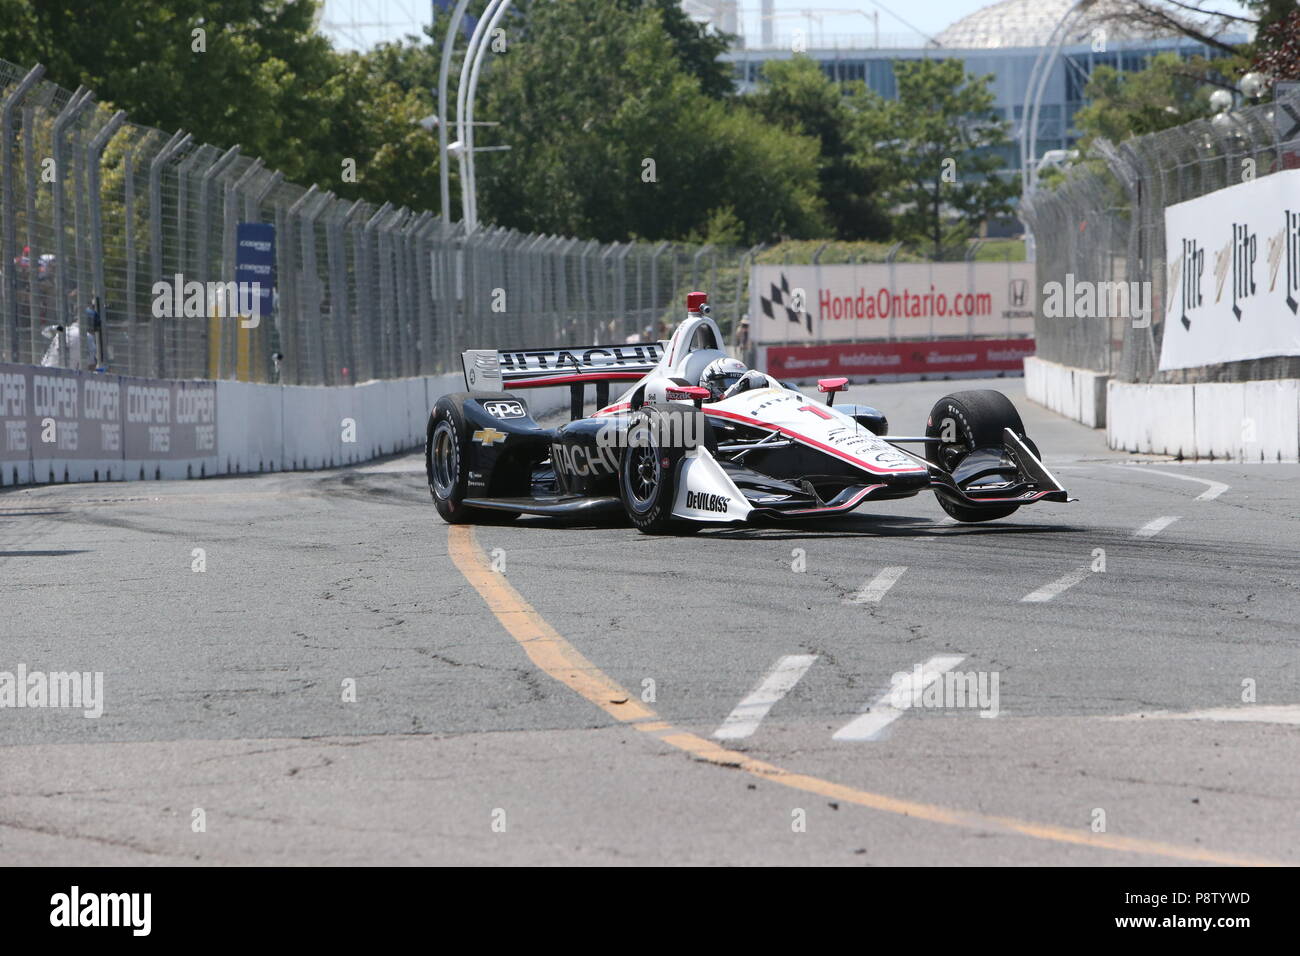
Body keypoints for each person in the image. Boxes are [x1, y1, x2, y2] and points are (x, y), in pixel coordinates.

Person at [698, 357, 777, 403]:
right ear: (708, 385)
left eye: (737, 382)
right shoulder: (693, 416)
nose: (733, 387)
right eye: (728, 383)